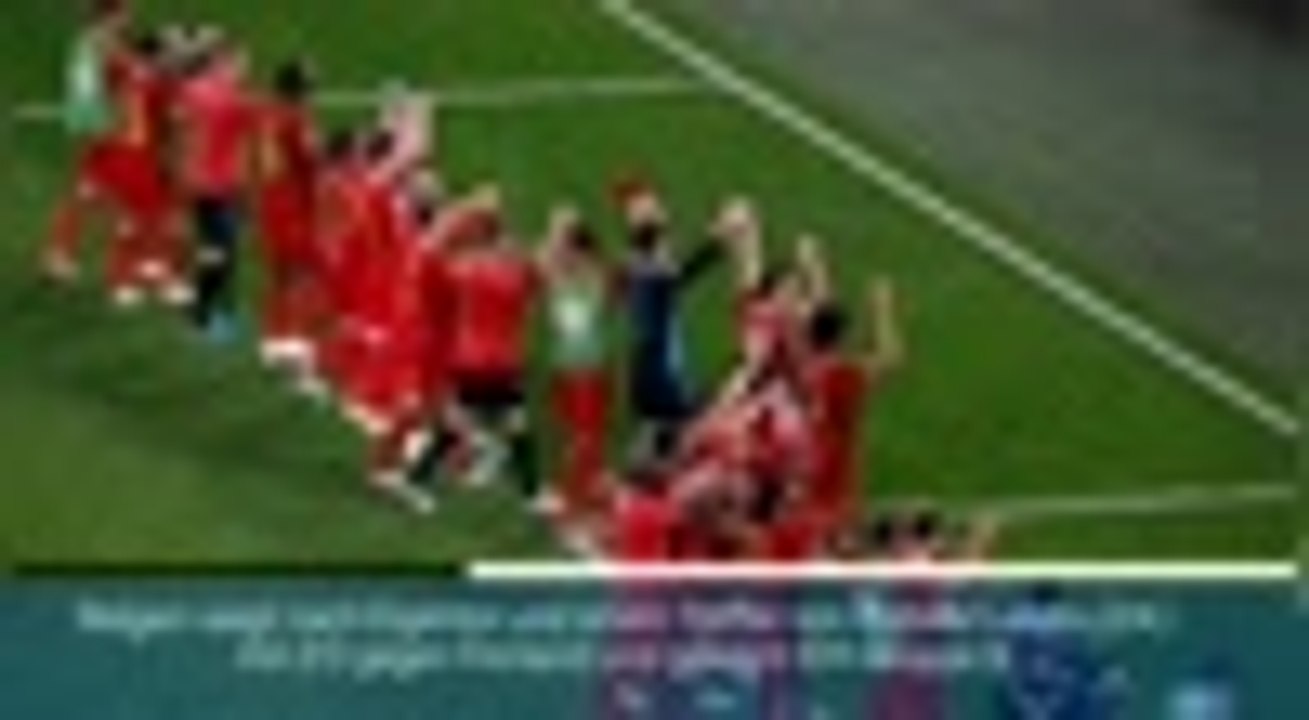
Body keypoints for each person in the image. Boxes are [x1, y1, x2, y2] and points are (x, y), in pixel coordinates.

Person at [443, 186, 543, 506]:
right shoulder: (510, 279)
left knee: (458, 420)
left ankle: (417, 475)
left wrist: (471, 211)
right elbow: (534, 278)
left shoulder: (466, 268)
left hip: (468, 357)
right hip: (501, 362)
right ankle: (530, 490)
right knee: (516, 423)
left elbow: (446, 267)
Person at [615, 180, 728, 461]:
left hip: (645, 373)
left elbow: (671, 271)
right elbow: (679, 273)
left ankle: (652, 446)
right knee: (692, 427)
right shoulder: (652, 272)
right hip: (660, 374)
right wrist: (716, 239)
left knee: (662, 430)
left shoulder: (637, 266)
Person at [801, 271, 906, 545]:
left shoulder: (801, 367)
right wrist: (883, 309)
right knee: (833, 545)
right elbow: (891, 358)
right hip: (833, 481)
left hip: (801, 475)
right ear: (842, 337)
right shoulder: (842, 376)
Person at [176, 35, 258, 343]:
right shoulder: (234, 100)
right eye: (241, 63)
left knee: (213, 247)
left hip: (197, 181)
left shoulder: (193, 88)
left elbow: (180, 119)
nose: (245, 69)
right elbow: (259, 123)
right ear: (223, 63)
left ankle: (208, 305)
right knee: (222, 251)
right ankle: (203, 314)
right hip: (218, 186)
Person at [43, 0, 131, 285]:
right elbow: (84, 93)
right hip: (103, 130)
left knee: (91, 191)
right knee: (92, 191)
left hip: (112, 128)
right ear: (110, 14)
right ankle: (59, 255)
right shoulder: (93, 46)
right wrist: (96, 127)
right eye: (125, 11)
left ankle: (60, 254)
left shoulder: (106, 42)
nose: (129, 17)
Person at [539, 206, 614, 524]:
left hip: (581, 370)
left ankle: (583, 495)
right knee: (581, 438)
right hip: (579, 371)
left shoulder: (589, 276)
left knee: (585, 438)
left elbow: (547, 260)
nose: (560, 252)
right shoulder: (579, 275)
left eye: (566, 246)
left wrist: (560, 228)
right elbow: (546, 259)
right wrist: (560, 229)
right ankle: (576, 502)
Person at [254, 58, 324, 372]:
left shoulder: (267, 113)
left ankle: (272, 337)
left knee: (280, 273)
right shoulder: (297, 117)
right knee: (305, 273)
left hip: (270, 200)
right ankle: (298, 337)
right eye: (310, 86)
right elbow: (313, 155)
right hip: (294, 204)